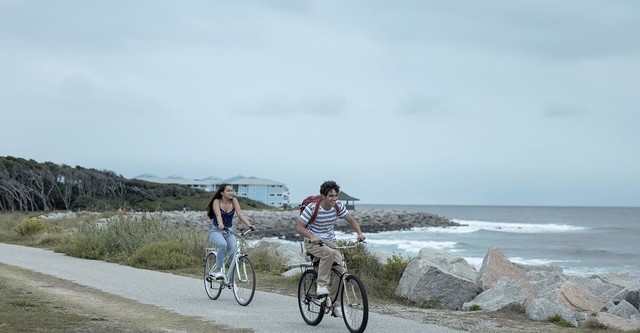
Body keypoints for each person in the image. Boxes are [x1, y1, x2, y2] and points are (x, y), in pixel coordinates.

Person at [295, 180, 366, 317]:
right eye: (331, 196)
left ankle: (336, 304)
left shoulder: (338, 206)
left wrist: (359, 233)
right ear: (323, 196)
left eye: (335, 196)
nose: (334, 199)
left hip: (330, 241)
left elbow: (351, 220)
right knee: (328, 253)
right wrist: (311, 236)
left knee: (342, 272)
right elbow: (299, 227)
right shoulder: (312, 208)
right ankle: (321, 285)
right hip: (312, 241)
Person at [206, 184, 255, 279]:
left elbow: (240, 214)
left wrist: (249, 225)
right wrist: (220, 224)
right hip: (216, 231)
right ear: (222, 193)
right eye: (228, 191)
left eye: (232, 190)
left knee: (234, 253)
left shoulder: (234, 200)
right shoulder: (217, 201)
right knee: (222, 245)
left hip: (229, 232)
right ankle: (218, 270)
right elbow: (218, 215)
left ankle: (230, 280)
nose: (231, 192)